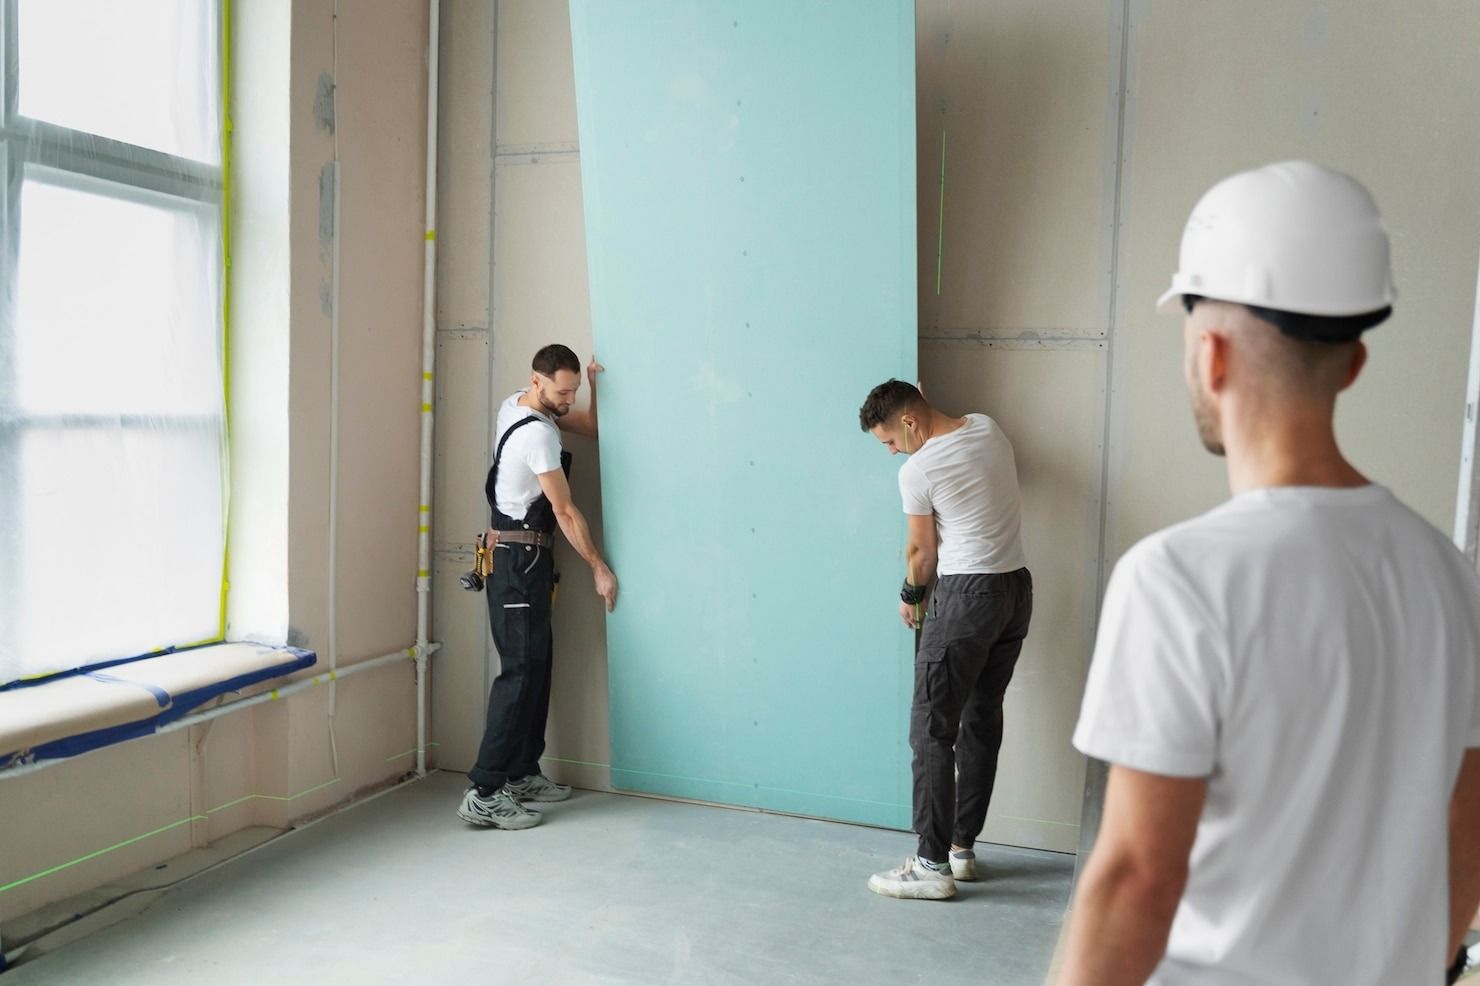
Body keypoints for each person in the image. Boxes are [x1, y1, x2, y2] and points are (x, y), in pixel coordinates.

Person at [1059, 161, 1480, 985]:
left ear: (1209, 356)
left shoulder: (1177, 580)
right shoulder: (1449, 576)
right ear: (1353, 363)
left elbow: (1138, 878)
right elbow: (1470, 822)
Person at [858, 380, 1033, 899]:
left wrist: (910, 594)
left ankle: (930, 866)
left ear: (909, 422)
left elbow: (922, 554)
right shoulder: (986, 427)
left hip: (965, 595)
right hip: (1014, 590)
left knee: (931, 726)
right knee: (980, 718)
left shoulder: (918, 470)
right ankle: (961, 849)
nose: (891, 452)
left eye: (889, 440)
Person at [457, 344, 618, 830]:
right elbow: (565, 511)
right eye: (563, 390)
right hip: (516, 561)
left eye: (573, 390)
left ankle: (521, 772)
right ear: (537, 380)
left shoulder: (521, 405)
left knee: (537, 667)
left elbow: (591, 428)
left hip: (524, 557)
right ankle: (484, 791)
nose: (568, 400)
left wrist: (591, 388)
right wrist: (598, 566)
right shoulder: (537, 438)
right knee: (520, 674)